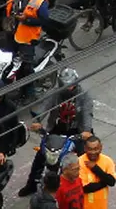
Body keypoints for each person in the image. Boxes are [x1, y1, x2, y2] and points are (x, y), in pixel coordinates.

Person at [20, 68, 94, 197]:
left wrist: (86, 131)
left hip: (76, 131)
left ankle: (85, 185)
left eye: (71, 85)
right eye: (65, 86)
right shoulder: (55, 93)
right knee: (40, 157)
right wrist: (38, 120)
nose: (68, 88)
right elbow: (44, 107)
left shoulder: (84, 95)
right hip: (56, 129)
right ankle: (31, 184)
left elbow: (87, 114)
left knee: (84, 159)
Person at [7, 0, 50, 100]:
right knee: (8, 61)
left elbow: (44, 20)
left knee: (26, 67)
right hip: (11, 33)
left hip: (27, 38)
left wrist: (26, 20)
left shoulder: (40, 1)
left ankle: (30, 93)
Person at [78, 136, 116, 209]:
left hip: (102, 206)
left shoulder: (108, 161)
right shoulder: (79, 162)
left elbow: (112, 182)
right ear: (85, 148)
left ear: (101, 148)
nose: (93, 152)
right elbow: (85, 188)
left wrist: (95, 169)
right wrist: (105, 182)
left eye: (96, 149)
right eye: (90, 149)